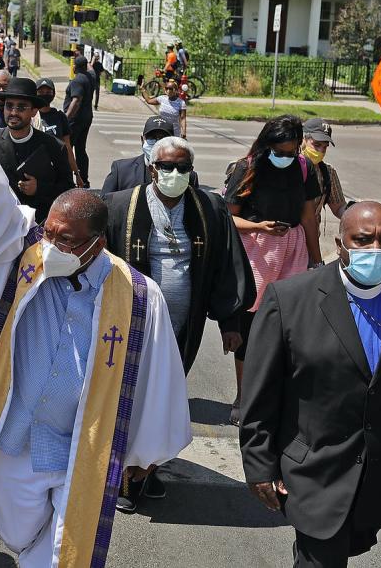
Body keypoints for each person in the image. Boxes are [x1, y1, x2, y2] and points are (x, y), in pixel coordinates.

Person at [0, 94, 192, 567]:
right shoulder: (21, 257)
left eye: (66, 239)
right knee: (19, 534)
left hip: (85, 447)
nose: (50, 243)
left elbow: (157, 376)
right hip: (17, 442)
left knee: (66, 550)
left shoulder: (137, 296)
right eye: (49, 231)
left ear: (97, 244)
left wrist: (146, 448)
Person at [240, 201, 381, 568]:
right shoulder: (289, 301)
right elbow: (260, 392)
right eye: (362, 240)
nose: (375, 251)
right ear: (340, 242)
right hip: (313, 472)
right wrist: (258, 462)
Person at [103, 136, 255, 505]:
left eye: (182, 167)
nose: (174, 173)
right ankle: (122, 477)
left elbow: (225, 267)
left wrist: (231, 322)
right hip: (130, 325)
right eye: (167, 166)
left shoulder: (209, 207)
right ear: (152, 168)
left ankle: (150, 464)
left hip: (182, 327)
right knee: (130, 399)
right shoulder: (122, 205)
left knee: (164, 400)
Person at [224, 115, 323, 425]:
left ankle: (278, 396)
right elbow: (228, 218)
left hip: (292, 251)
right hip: (256, 250)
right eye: (279, 151)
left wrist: (316, 260)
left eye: (290, 152)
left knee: (287, 328)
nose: (284, 157)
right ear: (267, 145)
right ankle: (244, 396)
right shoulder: (248, 167)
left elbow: (308, 217)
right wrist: (259, 226)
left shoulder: (304, 168)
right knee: (251, 328)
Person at [0, 77, 74, 222]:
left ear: (34, 111)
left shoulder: (54, 146)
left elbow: (67, 188)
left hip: (39, 225)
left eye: (21, 107)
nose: (13, 112)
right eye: (9, 106)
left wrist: (39, 188)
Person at [102, 116, 201, 194]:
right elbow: (106, 204)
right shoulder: (121, 171)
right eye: (151, 138)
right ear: (142, 140)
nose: (157, 143)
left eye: (163, 139)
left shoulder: (186, 174)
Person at [32, 77, 83, 187]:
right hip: (38, 171)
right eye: (40, 92)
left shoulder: (60, 116)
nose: (45, 95)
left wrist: (77, 173)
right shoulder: (31, 116)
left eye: (48, 92)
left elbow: (68, 147)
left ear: (53, 94)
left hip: (59, 169)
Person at [301, 118, 348, 228]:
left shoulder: (328, 172)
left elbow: (338, 206)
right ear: (303, 139)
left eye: (324, 147)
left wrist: (356, 214)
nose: (320, 151)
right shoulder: (287, 166)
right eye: (316, 145)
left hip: (311, 239)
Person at [63, 55, 94, 187]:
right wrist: (92, 60)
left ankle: (67, 180)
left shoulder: (77, 81)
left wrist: (65, 119)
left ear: (75, 66)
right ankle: (84, 180)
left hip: (75, 120)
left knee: (67, 149)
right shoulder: (91, 77)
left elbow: (76, 101)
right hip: (87, 118)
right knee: (81, 150)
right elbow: (91, 68)